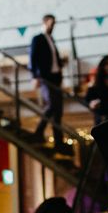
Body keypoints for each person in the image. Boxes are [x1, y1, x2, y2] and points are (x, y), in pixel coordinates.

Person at [29, 13, 70, 156]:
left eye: (54, 24)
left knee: (58, 111)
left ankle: (59, 142)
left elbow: (52, 59)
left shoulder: (51, 39)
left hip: (55, 77)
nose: (53, 26)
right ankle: (38, 132)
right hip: (45, 78)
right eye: (51, 23)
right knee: (52, 105)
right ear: (45, 22)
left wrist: (60, 64)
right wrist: (35, 76)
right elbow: (33, 59)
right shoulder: (38, 39)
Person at [84, 55, 108, 126]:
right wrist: (92, 104)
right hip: (101, 116)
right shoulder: (95, 82)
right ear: (103, 66)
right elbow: (88, 99)